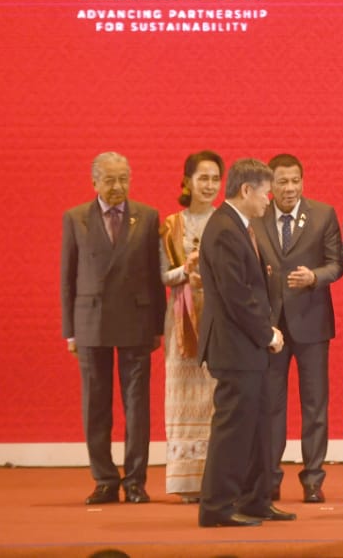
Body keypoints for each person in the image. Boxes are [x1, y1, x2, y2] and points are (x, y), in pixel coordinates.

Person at [196, 158, 295, 528]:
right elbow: (236, 294)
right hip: (234, 347)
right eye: (265, 192)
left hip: (247, 348)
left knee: (258, 428)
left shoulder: (241, 226)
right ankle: (217, 507)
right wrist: (267, 333)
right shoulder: (224, 229)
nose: (269, 199)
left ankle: (255, 500)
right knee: (233, 429)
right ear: (246, 191)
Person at [61, 152, 163, 505]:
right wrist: (69, 331)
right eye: (110, 180)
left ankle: (136, 480)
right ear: (94, 183)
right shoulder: (75, 218)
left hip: (136, 320)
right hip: (90, 321)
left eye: (123, 179)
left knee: (137, 406)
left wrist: (158, 325)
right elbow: (67, 277)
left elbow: (155, 275)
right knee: (96, 404)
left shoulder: (147, 217)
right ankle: (105, 479)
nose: (118, 186)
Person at [251, 154, 343, 503]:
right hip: (270, 327)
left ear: (303, 181)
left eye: (295, 181)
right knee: (271, 406)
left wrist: (315, 277)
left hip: (312, 324)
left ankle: (313, 479)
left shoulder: (322, 214)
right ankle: (270, 477)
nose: (289, 188)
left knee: (315, 405)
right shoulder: (256, 216)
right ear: (270, 185)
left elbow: (337, 264)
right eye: (282, 182)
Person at [158, 150, 224, 502]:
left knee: (216, 399)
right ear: (187, 181)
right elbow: (161, 275)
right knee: (183, 398)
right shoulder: (170, 225)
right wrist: (186, 270)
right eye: (203, 178)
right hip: (182, 324)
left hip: (220, 323)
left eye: (215, 178)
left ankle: (215, 478)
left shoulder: (227, 221)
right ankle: (185, 483)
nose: (209, 185)